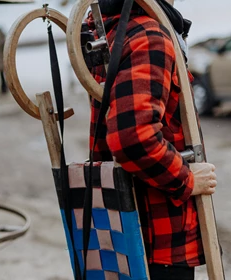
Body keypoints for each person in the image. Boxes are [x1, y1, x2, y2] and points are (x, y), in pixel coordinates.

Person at [87, 0, 217, 279]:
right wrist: (187, 178)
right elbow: (132, 138)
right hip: (159, 241)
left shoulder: (108, 30)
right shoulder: (148, 35)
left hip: (121, 231)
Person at [0, 27, 8, 95]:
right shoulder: (1, 39)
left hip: (2, 61)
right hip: (1, 61)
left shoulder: (2, 40)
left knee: (3, 77)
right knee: (2, 77)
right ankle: (3, 88)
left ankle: (4, 89)